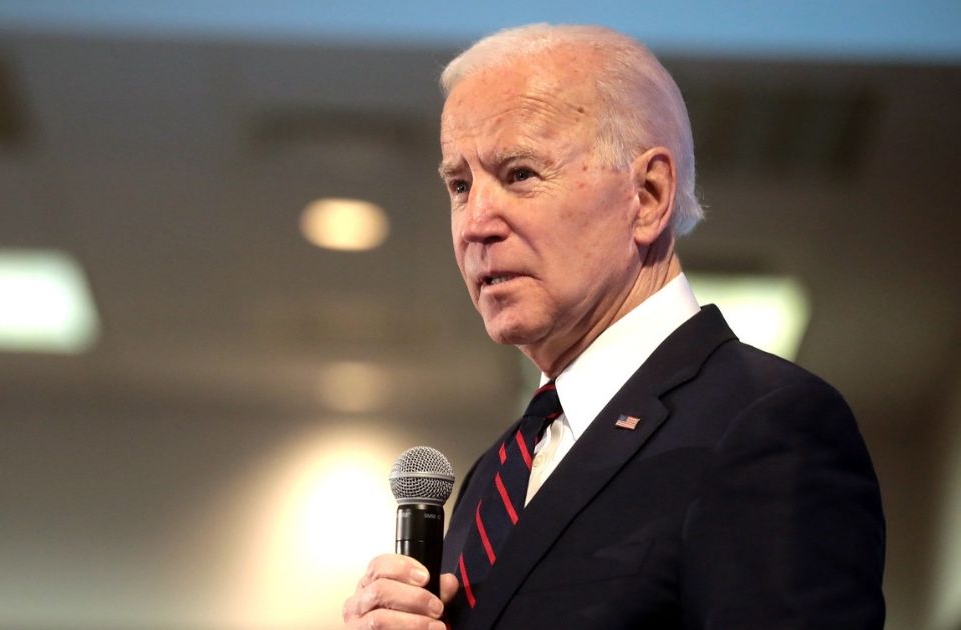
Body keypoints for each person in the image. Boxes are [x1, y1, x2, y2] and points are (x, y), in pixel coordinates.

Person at [342, 23, 885, 629]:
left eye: (520, 173)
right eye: (460, 185)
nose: (475, 223)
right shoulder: (492, 476)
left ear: (648, 195)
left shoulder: (766, 424)